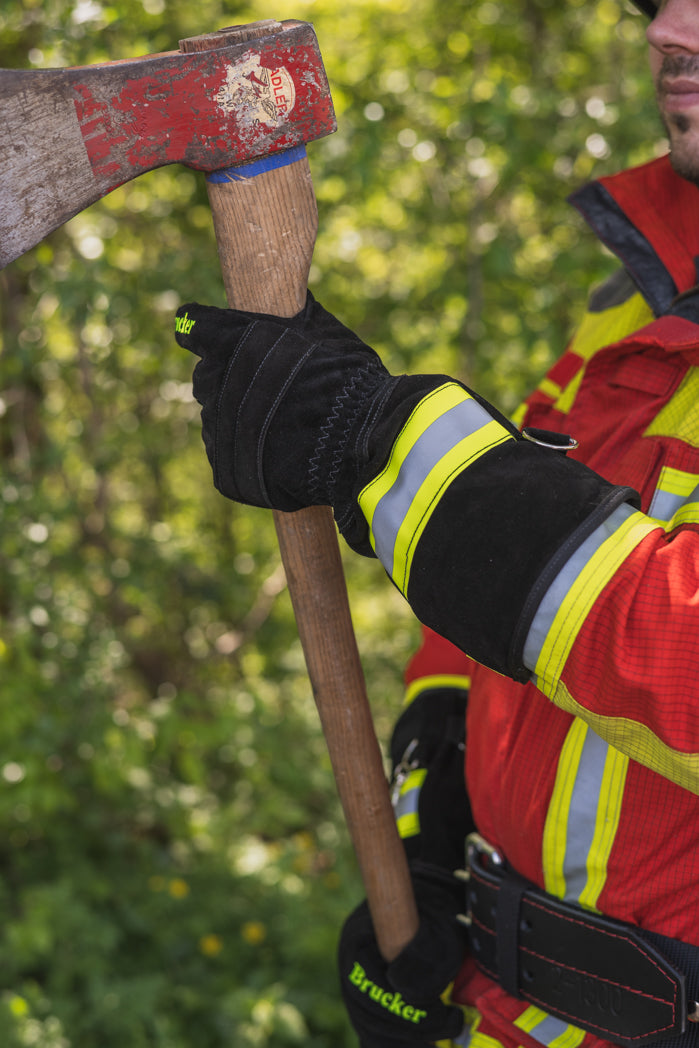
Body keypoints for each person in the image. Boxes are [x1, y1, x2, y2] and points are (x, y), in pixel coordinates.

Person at [175, 0, 699, 1046]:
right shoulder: (632, 310)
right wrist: (424, 846)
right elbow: (508, 623)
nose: (667, 32)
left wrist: (379, 438)